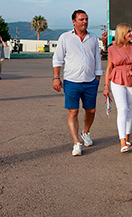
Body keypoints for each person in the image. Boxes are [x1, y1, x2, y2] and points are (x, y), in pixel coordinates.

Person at [52, 10, 102, 156]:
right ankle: (76, 143)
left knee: (91, 111)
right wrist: (56, 77)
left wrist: (98, 78)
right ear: (74, 21)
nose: (85, 22)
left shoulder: (93, 38)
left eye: (86, 19)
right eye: (81, 19)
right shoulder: (65, 38)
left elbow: (97, 58)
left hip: (90, 81)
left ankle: (85, 132)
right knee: (73, 112)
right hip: (71, 81)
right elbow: (58, 59)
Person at [103, 24, 132, 153]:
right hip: (117, 79)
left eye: (131, 31)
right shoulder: (112, 49)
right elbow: (109, 68)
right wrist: (106, 86)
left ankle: (127, 137)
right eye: (129, 32)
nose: (131, 34)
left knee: (130, 109)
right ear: (122, 34)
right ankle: (122, 142)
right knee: (122, 109)